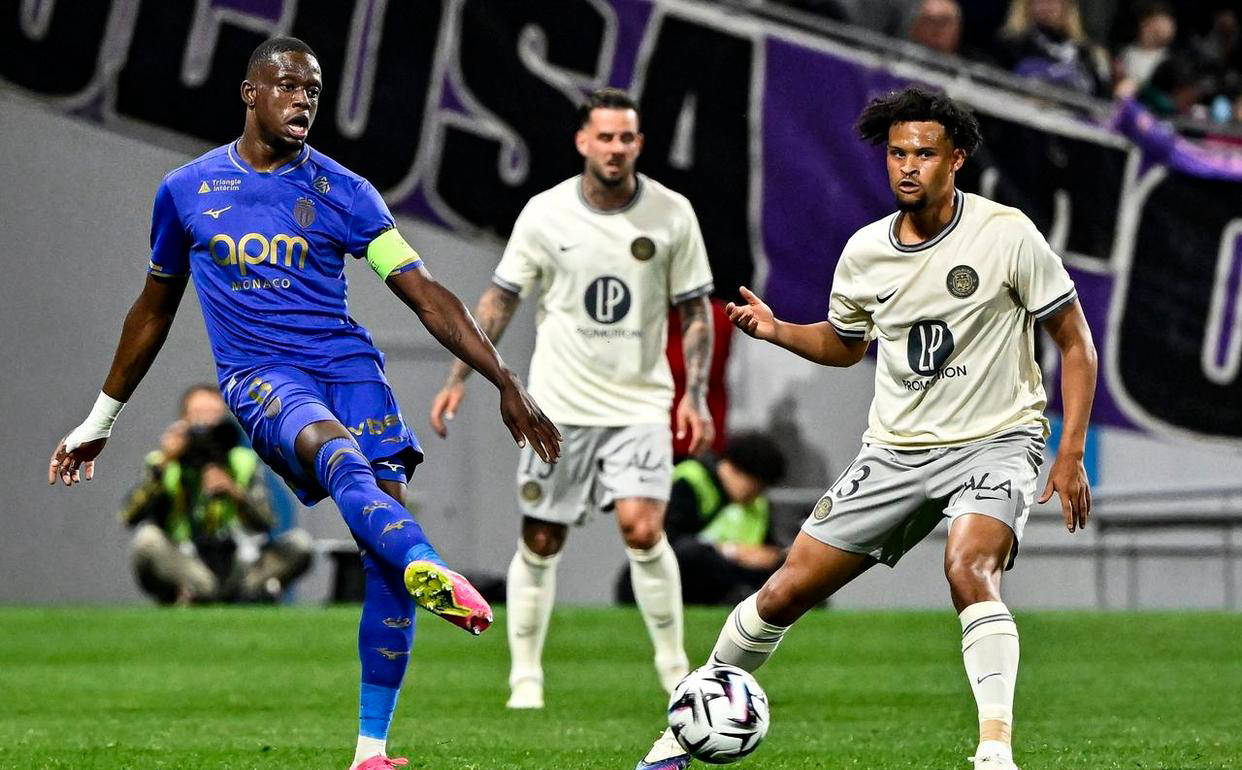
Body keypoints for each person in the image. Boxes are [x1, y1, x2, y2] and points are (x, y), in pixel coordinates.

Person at [47, 36, 560, 770]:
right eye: (288, 86)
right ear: (250, 92)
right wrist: (100, 420)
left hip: (350, 369)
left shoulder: (344, 191)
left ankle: (371, 751)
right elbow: (153, 310)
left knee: (382, 558)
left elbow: (424, 294)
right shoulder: (187, 191)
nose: (303, 101)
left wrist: (506, 379)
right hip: (261, 376)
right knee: (342, 462)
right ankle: (428, 561)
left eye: (313, 90)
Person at [635, 87, 1096, 770]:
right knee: (782, 593)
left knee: (968, 567)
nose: (908, 166)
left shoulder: (1007, 234)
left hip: (995, 440)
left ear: (956, 159)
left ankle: (994, 751)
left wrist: (1070, 450)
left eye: (924, 154)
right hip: (895, 451)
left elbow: (1076, 342)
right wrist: (779, 330)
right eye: (898, 153)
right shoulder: (865, 252)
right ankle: (678, 737)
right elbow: (847, 344)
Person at [429, 87, 716, 710]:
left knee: (644, 530)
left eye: (626, 137)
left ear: (639, 144)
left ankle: (675, 671)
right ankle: (525, 678)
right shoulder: (545, 213)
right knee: (541, 539)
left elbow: (696, 310)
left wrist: (694, 396)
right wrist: (459, 378)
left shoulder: (672, 214)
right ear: (583, 141)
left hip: (640, 404)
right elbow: (499, 301)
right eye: (605, 137)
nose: (615, 148)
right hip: (558, 408)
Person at [122, 384, 311, 604]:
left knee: (299, 543)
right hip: (186, 560)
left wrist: (235, 493)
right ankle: (196, 592)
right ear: (183, 421)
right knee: (147, 540)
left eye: (214, 415)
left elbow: (268, 523)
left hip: (239, 561)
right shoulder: (161, 462)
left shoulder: (242, 461)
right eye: (199, 415)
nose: (207, 424)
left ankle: (241, 593)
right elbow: (129, 515)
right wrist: (165, 461)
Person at [617, 431, 789, 606]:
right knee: (696, 555)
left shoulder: (757, 505)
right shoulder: (691, 480)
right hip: (667, 581)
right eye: (756, 486)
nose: (757, 494)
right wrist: (732, 551)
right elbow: (667, 542)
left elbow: (767, 549)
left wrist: (772, 556)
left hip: (730, 580)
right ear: (735, 469)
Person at [993, 0, 1111, 97]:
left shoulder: (1087, 54)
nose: (1047, 5)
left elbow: (1102, 101)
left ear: (1067, 5)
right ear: (1026, 4)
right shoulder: (1010, 45)